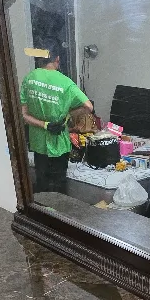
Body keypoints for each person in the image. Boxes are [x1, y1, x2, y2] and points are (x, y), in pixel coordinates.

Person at [20, 41, 93, 195]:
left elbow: (24, 115)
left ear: (40, 59)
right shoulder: (66, 83)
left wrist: (45, 124)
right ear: (57, 59)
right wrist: (69, 114)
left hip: (38, 142)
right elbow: (88, 107)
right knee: (59, 183)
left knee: (42, 182)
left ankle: (42, 213)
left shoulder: (29, 79)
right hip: (59, 142)